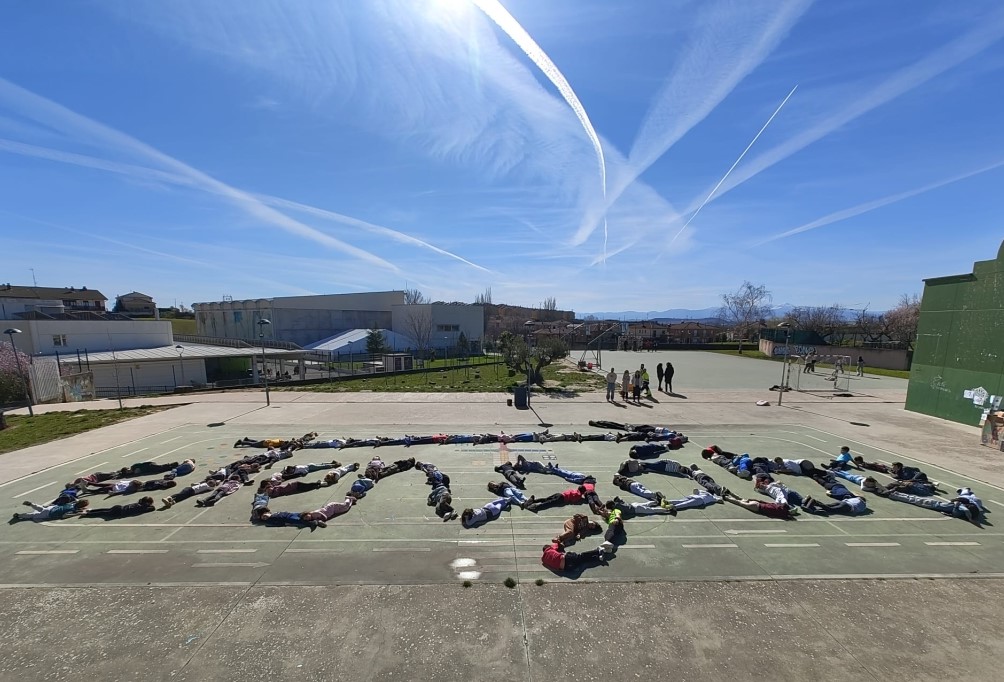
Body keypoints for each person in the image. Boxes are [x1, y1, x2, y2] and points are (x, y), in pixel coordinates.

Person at [875, 488, 982, 522]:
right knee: (916, 500)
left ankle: (966, 490)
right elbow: (964, 509)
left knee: (915, 499)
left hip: (969, 501)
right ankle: (895, 495)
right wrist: (971, 519)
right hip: (936, 504)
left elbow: (964, 509)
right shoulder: (961, 508)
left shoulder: (974, 506)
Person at [513, 455, 593, 485]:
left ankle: (552, 468)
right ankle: (554, 468)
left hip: (537, 464)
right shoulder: (523, 467)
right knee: (546, 471)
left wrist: (518, 464)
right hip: (537, 469)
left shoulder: (523, 463)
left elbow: (520, 456)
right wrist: (522, 470)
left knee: (545, 469)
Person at [721, 490, 797, 519]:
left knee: (741, 499)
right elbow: (788, 517)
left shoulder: (776, 505)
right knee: (740, 503)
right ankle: (726, 497)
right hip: (757, 508)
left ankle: (730, 493)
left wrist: (754, 499)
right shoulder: (783, 514)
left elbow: (764, 502)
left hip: (758, 503)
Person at [540, 541, 609, 571]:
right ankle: (598, 551)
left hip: (568, 568)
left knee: (582, 561)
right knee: (582, 556)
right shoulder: (549, 549)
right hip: (566, 559)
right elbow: (557, 545)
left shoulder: (543, 560)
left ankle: (598, 558)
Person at [11, 499, 88, 523]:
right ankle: (18, 516)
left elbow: (76, 503)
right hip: (50, 514)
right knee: (32, 515)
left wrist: (80, 509)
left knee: (40, 508)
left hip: (51, 508)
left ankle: (31, 504)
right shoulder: (72, 509)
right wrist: (78, 513)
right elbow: (64, 516)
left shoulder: (71, 504)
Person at [523, 486, 588, 513]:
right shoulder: (579, 495)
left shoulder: (574, 490)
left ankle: (534, 501)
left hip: (560, 494)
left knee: (546, 499)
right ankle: (534, 508)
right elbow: (573, 501)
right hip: (562, 499)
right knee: (548, 504)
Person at [252, 507, 325, 529]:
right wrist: (284, 524)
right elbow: (276, 524)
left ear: (267, 513)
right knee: (298, 521)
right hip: (288, 518)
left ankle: (316, 515)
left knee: (303, 515)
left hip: (290, 514)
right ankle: (314, 523)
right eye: (264, 518)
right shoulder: (270, 520)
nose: (265, 518)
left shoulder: (275, 513)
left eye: (264, 516)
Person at [84, 497, 156, 519]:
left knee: (106, 509)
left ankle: (90, 511)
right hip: (120, 512)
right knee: (104, 513)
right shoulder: (143, 507)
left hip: (120, 507)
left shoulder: (139, 503)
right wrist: (148, 506)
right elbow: (153, 508)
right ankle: (87, 514)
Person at [801, 493, 867, 516]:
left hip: (842, 502)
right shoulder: (863, 505)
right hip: (848, 507)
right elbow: (859, 511)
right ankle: (814, 501)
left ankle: (812, 504)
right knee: (831, 509)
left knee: (828, 506)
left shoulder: (855, 498)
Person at [617, 458, 688, 477]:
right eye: (682, 469)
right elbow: (669, 461)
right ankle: (640, 465)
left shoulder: (678, 471)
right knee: (650, 465)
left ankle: (640, 467)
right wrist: (661, 461)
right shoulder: (677, 464)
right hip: (663, 464)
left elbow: (683, 474)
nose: (681, 471)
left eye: (682, 471)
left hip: (662, 469)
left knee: (651, 468)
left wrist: (687, 476)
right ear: (682, 467)